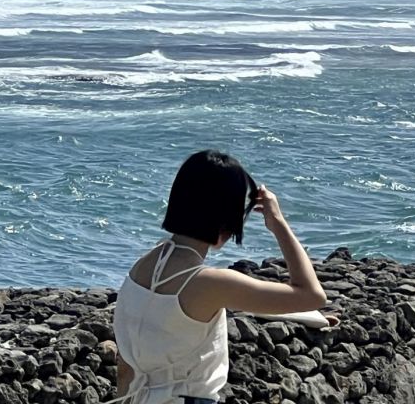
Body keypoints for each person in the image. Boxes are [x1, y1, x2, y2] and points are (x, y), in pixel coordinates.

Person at [109, 149, 327, 404]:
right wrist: (277, 222)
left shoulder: (142, 267)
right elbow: (312, 295)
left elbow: (126, 367)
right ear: (227, 219)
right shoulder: (210, 283)